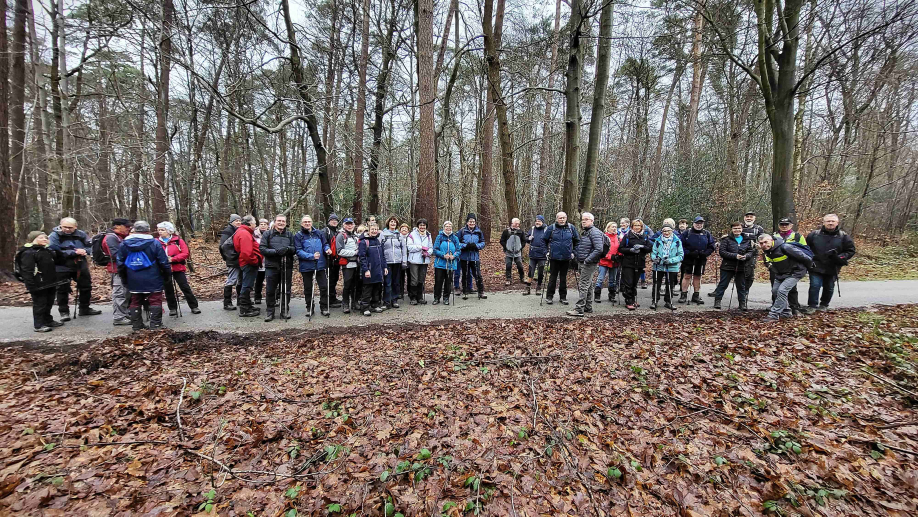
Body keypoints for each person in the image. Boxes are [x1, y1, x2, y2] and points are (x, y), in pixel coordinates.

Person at [117, 221, 172, 330]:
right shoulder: (154, 243)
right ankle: (156, 325)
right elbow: (163, 261)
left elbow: (120, 263)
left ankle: (137, 326)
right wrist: (167, 275)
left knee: (135, 300)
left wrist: (124, 278)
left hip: (133, 277)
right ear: (148, 230)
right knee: (155, 300)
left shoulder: (124, 243)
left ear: (134, 230)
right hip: (153, 276)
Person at [48, 217, 101, 320]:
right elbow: (53, 251)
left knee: (86, 286)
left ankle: (84, 308)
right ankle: (64, 312)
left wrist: (85, 251)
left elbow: (90, 246)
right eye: (65, 227)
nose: (67, 229)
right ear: (60, 225)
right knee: (62, 289)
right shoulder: (54, 236)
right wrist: (73, 252)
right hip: (62, 265)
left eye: (70, 228)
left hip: (80, 264)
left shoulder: (81, 234)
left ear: (75, 227)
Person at [805, 214, 856, 313]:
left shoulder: (843, 236)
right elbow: (806, 248)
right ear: (823, 222)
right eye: (828, 221)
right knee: (814, 286)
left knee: (829, 287)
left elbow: (850, 251)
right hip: (816, 265)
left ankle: (824, 305)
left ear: (837, 223)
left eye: (833, 221)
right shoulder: (814, 235)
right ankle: (812, 306)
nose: (830, 223)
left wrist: (840, 257)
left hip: (833, 266)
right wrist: (809, 260)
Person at [758, 233, 814, 322]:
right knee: (775, 291)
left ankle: (773, 315)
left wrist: (808, 268)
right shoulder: (768, 250)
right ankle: (786, 312)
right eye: (761, 243)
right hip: (781, 273)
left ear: (771, 240)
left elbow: (805, 257)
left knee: (782, 290)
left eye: (765, 242)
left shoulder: (785, 247)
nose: (764, 245)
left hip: (795, 272)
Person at [18, 231, 64, 332]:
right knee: (40, 304)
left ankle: (48, 320)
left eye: (46, 238)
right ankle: (39, 325)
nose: (44, 239)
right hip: (38, 283)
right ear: (33, 240)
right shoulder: (28, 252)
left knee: (49, 302)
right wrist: (31, 286)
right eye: (41, 238)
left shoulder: (46, 250)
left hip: (50, 282)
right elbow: (27, 271)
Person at [156, 222, 201, 316]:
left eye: (162, 230)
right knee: (168, 289)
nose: (160, 232)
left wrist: (173, 259)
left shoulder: (178, 241)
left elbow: (185, 253)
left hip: (178, 267)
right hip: (164, 269)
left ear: (169, 231)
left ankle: (194, 306)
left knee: (185, 287)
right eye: (159, 230)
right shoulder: (156, 242)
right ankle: (172, 308)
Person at [567, 212, 605, 317]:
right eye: (583, 219)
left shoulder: (594, 232)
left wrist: (588, 260)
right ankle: (588, 307)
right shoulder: (586, 232)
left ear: (592, 221)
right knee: (589, 285)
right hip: (583, 262)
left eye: (586, 219)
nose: (583, 221)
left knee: (583, 285)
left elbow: (599, 249)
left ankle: (579, 309)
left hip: (588, 263)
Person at [259, 213, 296, 321]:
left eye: (283, 221)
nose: (281, 223)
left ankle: (284, 310)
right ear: (275, 222)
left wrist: (288, 249)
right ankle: (270, 312)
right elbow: (262, 249)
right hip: (272, 266)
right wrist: (276, 252)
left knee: (286, 289)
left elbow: (294, 249)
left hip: (286, 265)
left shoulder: (289, 235)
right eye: (279, 221)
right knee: (270, 290)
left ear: (285, 223)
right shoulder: (267, 234)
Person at [296, 215, 332, 318]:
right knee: (308, 288)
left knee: (324, 287)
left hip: (320, 265)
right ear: (302, 224)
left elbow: (325, 244)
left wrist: (327, 249)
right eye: (305, 222)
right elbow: (298, 251)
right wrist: (311, 256)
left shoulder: (319, 233)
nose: (307, 223)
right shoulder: (299, 235)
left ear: (312, 222)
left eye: (309, 221)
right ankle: (309, 307)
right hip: (306, 266)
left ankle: (324, 307)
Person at [711, 222, 753, 310]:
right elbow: (722, 252)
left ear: (742, 229)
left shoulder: (747, 239)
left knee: (741, 286)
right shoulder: (726, 239)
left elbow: (750, 251)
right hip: (727, 266)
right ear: (732, 229)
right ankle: (717, 301)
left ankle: (742, 303)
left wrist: (746, 256)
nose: (737, 230)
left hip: (741, 266)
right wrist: (735, 256)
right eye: (735, 228)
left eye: (739, 228)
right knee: (723, 284)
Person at [542, 211, 579, 305]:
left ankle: (563, 297)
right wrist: (546, 252)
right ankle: (549, 297)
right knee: (552, 277)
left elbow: (577, 241)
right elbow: (544, 241)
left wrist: (574, 252)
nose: (562, 220)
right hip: (554, 257)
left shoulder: (571, 228)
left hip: (566, 258)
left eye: (564, 218)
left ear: (566, 218)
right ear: (557, 219)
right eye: (560, 218)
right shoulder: (551, 228)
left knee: (563, 278)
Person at [772, 217, 807, 315]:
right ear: (779, 225)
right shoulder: (774, 236)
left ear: (791, 225)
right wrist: (769, 265)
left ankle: (794, 307)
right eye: (782, 224)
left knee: (791, 288)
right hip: (777, 266)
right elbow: (767, 250)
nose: (784, 226)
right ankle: (779, 307)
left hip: (793, 266)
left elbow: (804, 250)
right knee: (775, 288)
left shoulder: (797, 236)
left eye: (786, 224)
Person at [679, 216, 715, 305]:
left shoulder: (706, 234)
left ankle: (696, 295)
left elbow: (712, 246)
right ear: (693, 223)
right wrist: (688, 253)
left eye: (701, 223)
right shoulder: (687, 233)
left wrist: (706, 253)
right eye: (697, 223)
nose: (699, 225)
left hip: (701, 259)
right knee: (687, 276)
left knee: (697, 276)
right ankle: (683, 295)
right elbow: (680, 245)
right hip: (688, 258)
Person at [102, 218, 132, 325]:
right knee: (119, 293)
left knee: (126, 292)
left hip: (124, 268)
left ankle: (124, 313)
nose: (128, 228)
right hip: (117, 269)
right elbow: (115, 254)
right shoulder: (111, 238)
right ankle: (119, 317)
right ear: (117, 226)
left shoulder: (121, 237)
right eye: (126, 226)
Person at [233, 215, 263, 317]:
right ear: (249, 223)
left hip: (247, 263)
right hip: (249, 264)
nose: (255, 225)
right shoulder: (244, 233)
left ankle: (248, 305)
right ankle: (245, 308)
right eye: (254, 222)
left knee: (247, 285)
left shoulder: (243, 232)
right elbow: (246, 253)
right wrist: (255, 261)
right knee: (247, 285)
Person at [650, 222, 683, 310]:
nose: (666, 232)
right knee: (656, 283)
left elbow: (680, 255)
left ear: (672, 231)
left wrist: (670, 260)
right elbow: (653, 253)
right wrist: (654, 258)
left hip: (672, 266)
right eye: (664, 231)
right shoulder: (657, 241)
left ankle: (668, 301)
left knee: (670, 284)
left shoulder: (677, 241)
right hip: (658, 265)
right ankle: (655, 301)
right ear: (662, 232)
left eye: (668, 231)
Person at [619, 219, 651, 310]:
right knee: (628, 282)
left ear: (641, 227)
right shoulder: (627, 236)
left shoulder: (645, 236)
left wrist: (642, 247)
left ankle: (633, 299)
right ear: (632, 226)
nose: (637, 227)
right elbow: (621, 249)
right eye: (635, 225)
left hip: (639, 262)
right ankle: (628, 300)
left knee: (634, 283)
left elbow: (649, 248)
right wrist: (630, 250)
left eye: (639, 225)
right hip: (628, 262)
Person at [358, 222, 388, 316]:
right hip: (369, 270)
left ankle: (375, 305)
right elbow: (362, 257)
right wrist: (366, 269)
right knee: (367, 289)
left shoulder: (378, 241)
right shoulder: (364, 242)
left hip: (378, 270)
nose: (374, 231)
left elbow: (382, 256)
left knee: (377, 288)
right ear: (369, 230)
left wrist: (385, 267)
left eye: (376, 229)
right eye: (372, 229)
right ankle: (365, 307)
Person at [457, 214, 487, 300]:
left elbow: (483, 242)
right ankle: (465, 291)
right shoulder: (462, 231)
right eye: (470, 221)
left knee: (477, 275)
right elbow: (457, 243)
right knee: (465, 275)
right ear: (467, 222)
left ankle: (481, 291)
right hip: (464, 257)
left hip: (475, 257)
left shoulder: (478, 231)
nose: (472, 223)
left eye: (473, 221)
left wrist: (476, 246)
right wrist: (465, 246)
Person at [381, 216, 408, 309]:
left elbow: (404, 248)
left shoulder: (399, 235)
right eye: (391, 222)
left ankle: (394, 299)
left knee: (396, 282)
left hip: (397, 262)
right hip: (387, 262)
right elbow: (381, 248)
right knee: (387, 282)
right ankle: (386, 301)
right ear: (388, 223)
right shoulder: (383, 234)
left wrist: (404, 261)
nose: (393, 223)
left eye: (395, 222)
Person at [335, 218, 360, 313]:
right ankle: (345, 303)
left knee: (356, 284)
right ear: (344, 225)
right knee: (347, 284)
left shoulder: (356, 236)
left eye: (351, 224)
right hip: (347, 264)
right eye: (347, 224)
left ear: (354, 225)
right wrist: (354, 253)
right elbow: (340, 251)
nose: (349, 226)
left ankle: (355, 302)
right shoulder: (341, 236)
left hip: (357, 264)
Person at [433, 221, 460, 305]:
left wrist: (454, 256)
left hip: (451, 264)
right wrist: (443, 255)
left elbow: (458, 250)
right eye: (446, 226)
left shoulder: (455, 238)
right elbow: (435, 249)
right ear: (443, 227)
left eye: (450, 226)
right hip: (440, 263)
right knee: (438, 281)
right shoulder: (439, 237)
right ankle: (436, 298)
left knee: (448, 282)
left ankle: (446, 298)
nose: (448, 228)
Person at [219, 214, 243, 310]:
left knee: (240, 280)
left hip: (240, 259)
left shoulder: (239, 230)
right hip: (233, 260)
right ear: (231, 222)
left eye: (239, 221)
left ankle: (240, 300)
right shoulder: (228, 231)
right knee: (232, 280)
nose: (238, 222)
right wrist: (229, 258)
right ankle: (227, 302)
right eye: (236, 221)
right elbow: (223, 247)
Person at [407, 219, 434, 304]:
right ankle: (413, 297)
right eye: (421, 225)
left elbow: (430, 248)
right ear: (418, 226)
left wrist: (427, 253)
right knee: (414, 279)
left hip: (424, 260)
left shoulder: (428, 235)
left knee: (421, 279)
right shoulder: (412, 235)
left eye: (424, 225)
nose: (422, 227)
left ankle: (420, 297)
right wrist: (420, 247)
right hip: (414, 260)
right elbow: (409, 247)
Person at [594, 221, 620, 304]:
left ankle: (612, 295)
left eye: (615, 227)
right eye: (612, 227)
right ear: (608, 228)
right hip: (604, 261)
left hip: (614, 262)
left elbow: (620, 248)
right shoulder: (603, 238)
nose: (614, 228)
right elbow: (601, 251)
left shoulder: (618, 238)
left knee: (613, 280)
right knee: (600, 279)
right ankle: (597, 295)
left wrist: (619, 256)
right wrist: (609, 257)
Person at [523, 215, 549, 296]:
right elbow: (526, 238)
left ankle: (538, 287)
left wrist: (548, 251)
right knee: (531, 271)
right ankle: (528, 287)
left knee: (540, 272)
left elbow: (551, 240)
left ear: (542, 222)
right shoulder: (533, 229)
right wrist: (528, 239)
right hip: (533, 254)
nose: (537, 222)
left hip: (542, 254)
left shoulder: (546, 230)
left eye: (539, 221)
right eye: (536, 221)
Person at [500, 218, 527, 286]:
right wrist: (506, 247)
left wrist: (520, 247)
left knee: (520, 266)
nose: (517, 225)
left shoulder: (521, 232)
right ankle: (508, 279)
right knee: (508, 266)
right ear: (512, 223)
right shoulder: (506, 231)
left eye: (518, 223)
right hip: (508, 253)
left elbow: (524, 241)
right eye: (516, 223)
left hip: (518, 253)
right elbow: (502, 241)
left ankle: (522, 278)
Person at [324, 214, 342, 307]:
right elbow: (324, 243)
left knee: (334, 279)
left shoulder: (337, 232)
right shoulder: (325, 231)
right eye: (332, 220)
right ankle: (329, 300)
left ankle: (333, 297)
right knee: (329, 280)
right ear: (329, 221)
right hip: (328, 260)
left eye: (336, 220)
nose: (334, 221)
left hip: (336, 261)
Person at [252, 218, 270, 304]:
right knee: (259, 280)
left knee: (271, 281)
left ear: (267, 226)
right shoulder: (253, 235)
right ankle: (257, 297)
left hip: (269, 261)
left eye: (265, 224)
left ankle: (272, 297)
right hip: (259, 262)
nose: (263, 225)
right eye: (261, 224)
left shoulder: (271, 234)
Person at [399, 223, 412, 299]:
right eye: (402, 228)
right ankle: (400, 292)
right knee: (400, 276)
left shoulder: (410, 238)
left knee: (410, 276)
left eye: (405, 228)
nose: (404, 230)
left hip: (410, 259)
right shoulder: (398, 237)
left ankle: (410, 291)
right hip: (400, 260)